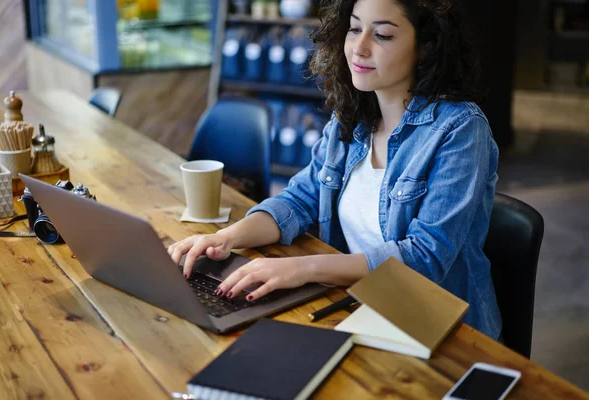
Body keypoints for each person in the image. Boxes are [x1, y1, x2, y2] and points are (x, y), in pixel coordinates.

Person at [168, 0, 502, 339]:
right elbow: (300, 200)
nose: (359, 47)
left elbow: (425, 257)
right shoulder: (352, 115)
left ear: (426, 47)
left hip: (440, 328)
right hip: (353, 305)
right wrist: (224, 238)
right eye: (355, 29)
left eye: (383, 35)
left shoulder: (460, 129)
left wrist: (302, 268)